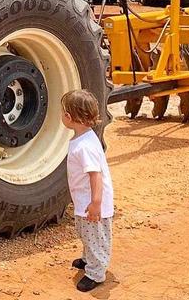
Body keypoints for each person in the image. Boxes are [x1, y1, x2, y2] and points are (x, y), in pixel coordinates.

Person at [61, 89, 114, 293]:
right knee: (86, 233)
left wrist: (96, 203)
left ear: (69, 117)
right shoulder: (84, 138)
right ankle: (88, 260)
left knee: (96, 237)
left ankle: (96, 272)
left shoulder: (84, 146)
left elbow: (95, 175)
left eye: (63, 112)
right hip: (85, 199)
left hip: (92, 201)